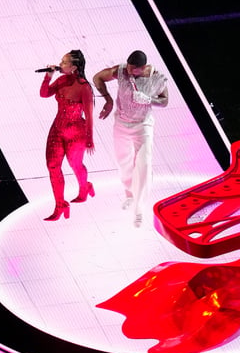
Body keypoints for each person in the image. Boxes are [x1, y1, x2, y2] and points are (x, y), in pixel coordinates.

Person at [92, 50, 168, 227]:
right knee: (123, 162)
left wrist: (148, 99)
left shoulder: (156, 77)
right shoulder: (121, 71)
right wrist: (108, 100)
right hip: (121, 124)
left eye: (134, 69)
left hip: (142, 126)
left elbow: (164, 101)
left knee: (143, 164)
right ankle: (129, 193)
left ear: (142, 68)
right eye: (129, 67)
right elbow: (98, 78)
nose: (129, 71)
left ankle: (139, 209)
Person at [39, 49, 95, 221]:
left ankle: (85, 187)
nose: (60, 65)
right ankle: (60, 205)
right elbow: (44, 94)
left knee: (75, 164)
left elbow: (89, 114)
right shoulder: (61, 80)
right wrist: (48, 77)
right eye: (61, 62)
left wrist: (90, 138)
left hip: (76, 133)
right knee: (52, 166)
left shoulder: (84, 87)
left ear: (74, 67)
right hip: (57, 129)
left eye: (64, 62)